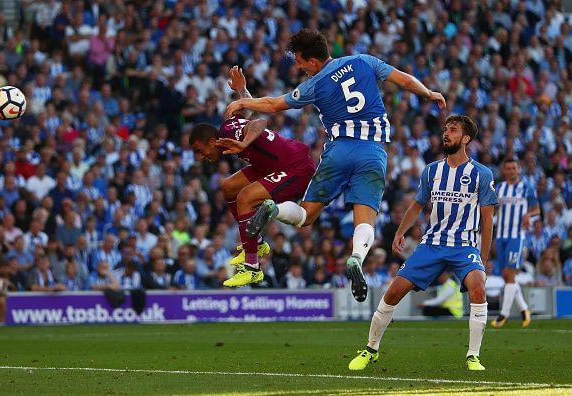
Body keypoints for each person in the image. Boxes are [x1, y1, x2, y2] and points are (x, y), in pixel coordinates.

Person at [225, 28, 445, 302]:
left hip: (339, 151)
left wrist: (242, 99)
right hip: (373, 152)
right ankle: (356, 258)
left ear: (314, 61)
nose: (299, 67)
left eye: (300, 61)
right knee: (365, 218)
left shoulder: (314, 84)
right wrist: (428, 92)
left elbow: (272, 104)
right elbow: (404, 80)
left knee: (305, 216)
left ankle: (274, 209)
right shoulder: (364, 60)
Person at [348, 116, 497, 372]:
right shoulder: (432, 170)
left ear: (466, 139)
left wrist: (483, 257)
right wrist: (400, 231)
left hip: (464, 244)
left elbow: (487, 219)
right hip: (432, 243)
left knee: (478, 287)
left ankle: (473, 355)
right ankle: (371, 349)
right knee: (394, 291)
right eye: (445, 129)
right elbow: (418, 204)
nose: (446, 134)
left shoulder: (481, 174)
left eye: (453, 130)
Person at [190, 66, 316, 287]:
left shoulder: (231, 134)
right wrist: (242, 91)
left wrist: (244, 144)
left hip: (294, 166)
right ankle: (256, 242)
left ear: (212, 141)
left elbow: (259, 122)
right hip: (268, 165)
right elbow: (247, 111)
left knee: (245, 197)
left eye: (200, 151)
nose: (200, 158)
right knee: (229, 186)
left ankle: (252, 268)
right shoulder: (228, 126)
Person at [491, 158, 539, 329]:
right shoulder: (499, 188)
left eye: (513, 168)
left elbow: (536, 209)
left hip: (516, 236)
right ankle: (525, 309)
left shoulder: (526, 187)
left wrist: (528, 215)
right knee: (506, 274)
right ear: (504, 171)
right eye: (508, 168)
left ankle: (503, 315)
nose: (511, 171)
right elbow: (493, 207)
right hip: (501, 236)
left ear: (519, 169)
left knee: (510, 274)